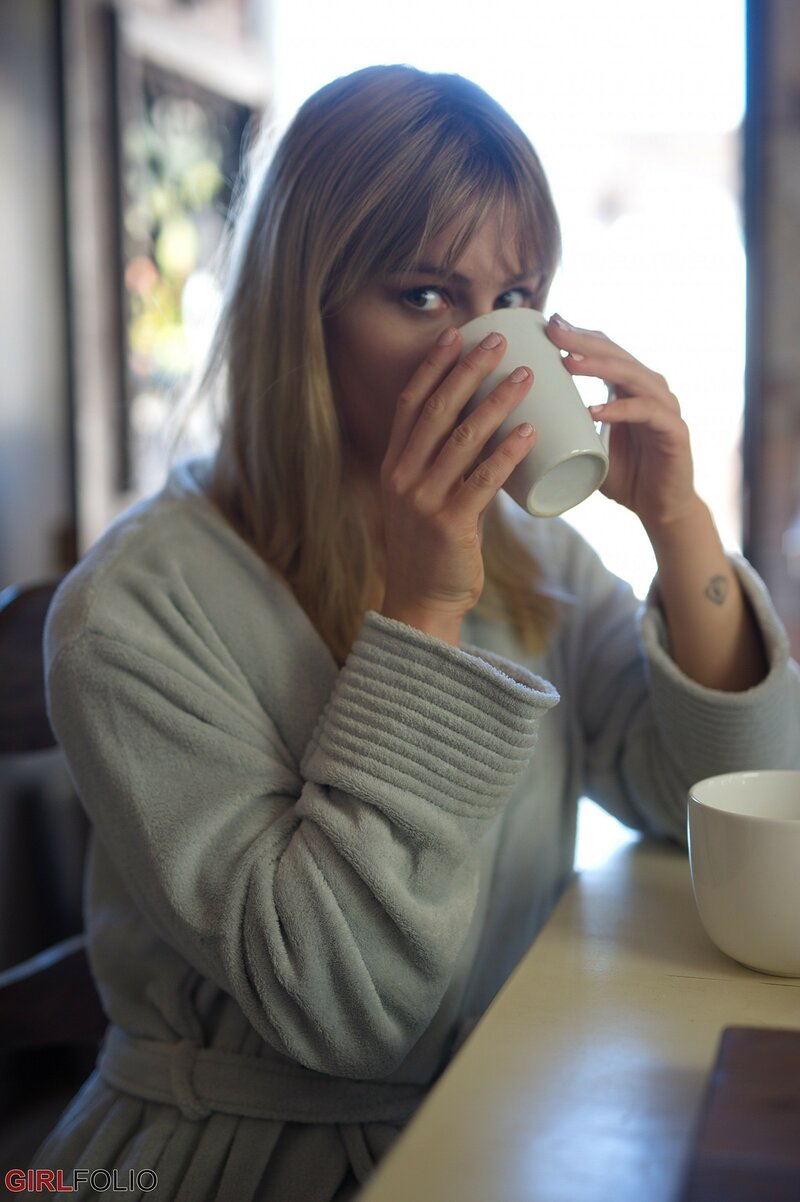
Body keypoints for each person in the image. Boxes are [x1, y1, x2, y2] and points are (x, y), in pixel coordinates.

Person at [34, 64, 799, 1201]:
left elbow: (734, 803)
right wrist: (426, 607)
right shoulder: (133, 610)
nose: (485, 348)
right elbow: (347, 1008)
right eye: (426, 294)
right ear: (302, 312)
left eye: (514, 298)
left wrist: (678, 522)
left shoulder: (529, 554)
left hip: (501, 1119)